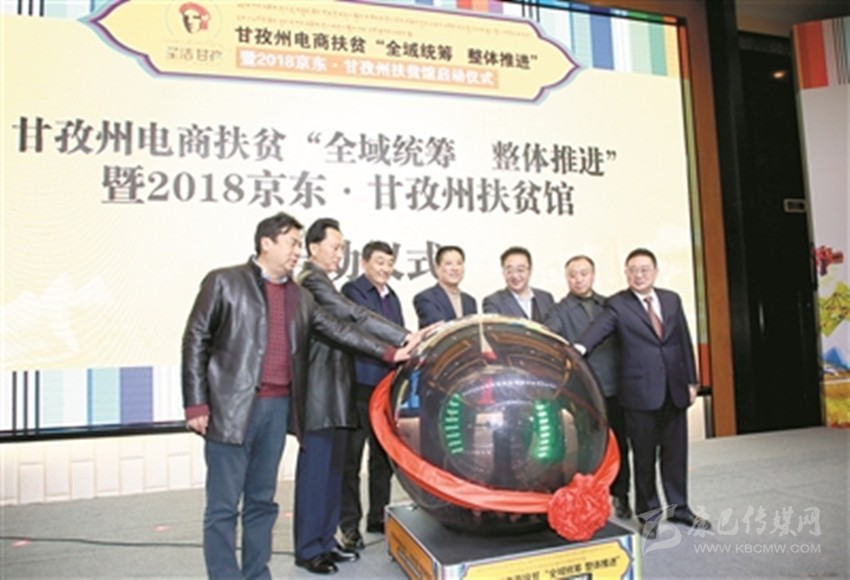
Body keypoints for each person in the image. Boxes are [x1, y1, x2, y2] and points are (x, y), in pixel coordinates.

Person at [181, 212, 412, 578]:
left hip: (277, 408)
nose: (297, 252)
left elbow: (339, 329)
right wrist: (196, 403)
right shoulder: (225, 282)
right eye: (291, 243)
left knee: (262, 502)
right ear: (266, 243)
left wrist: (391, 352)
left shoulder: (299, 296)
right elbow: (196, 339)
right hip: (231, 408)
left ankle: (257, 573)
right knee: (223, 506)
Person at [294, 221, 415, 567]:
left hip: (336, 392)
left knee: (332, 475)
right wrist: (401, 341)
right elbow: (352, 318)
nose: (339, 254)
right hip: (319, 394)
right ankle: (308, 549)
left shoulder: (323, 282)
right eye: (335, 247)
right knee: (317, 476)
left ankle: (325, 540)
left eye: (342, 248)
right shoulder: (312, 281)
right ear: (313, 247)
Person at [575, 248, 711, 539]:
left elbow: (683, 341)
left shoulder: (671, 300)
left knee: (676, 455)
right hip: (639, 394)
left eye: (644, 270)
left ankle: (680, 508)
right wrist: (578, 349)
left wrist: (692, 381)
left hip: (674, 389)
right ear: (626, 273)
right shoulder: (618, 304)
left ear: (655, 272)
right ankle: (649, 515)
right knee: (644, 458)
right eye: (633, 270)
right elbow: (598, 329)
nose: (639, 275)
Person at [543, 255, 631, 519]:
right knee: (588, 448)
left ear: (593, 275)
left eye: (584, 274)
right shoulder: (559, 311)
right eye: (573, 275)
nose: (578, 279)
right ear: (566, 278)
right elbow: (551, 341)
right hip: (584, 392)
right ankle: (590, 500)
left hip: (615, 387)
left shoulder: (610, 305)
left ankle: (622, 494)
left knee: (620, 445)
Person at [338, 241, 407, 551]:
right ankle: (349, 526)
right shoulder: (352, 291)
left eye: (389, 263)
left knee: (382, 458)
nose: (385, 269)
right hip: (358, 387)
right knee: (350, 461)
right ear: (364, 262)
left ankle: (378, 517)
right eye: (379, 262)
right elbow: (369, 331)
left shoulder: (392, 296)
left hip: (385, 389)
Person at [482, 246, 554, 322]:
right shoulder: (493, 302)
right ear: (503, 272)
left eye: (520, 270)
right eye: (509, 271)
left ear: (530, 270)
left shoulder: (546, 298)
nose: (515, 275)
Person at [413, 245, 477, 328]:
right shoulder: (425, 298)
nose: (455, 268)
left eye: (459, 263)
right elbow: (438, 328)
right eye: (448, 264)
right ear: (437, 268)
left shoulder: (470, 301)